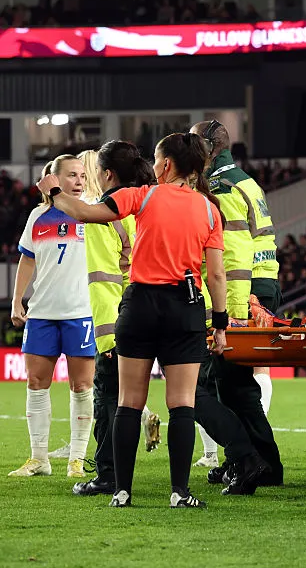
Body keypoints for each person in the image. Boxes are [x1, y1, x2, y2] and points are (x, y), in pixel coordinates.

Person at [39, 132, 229, 508]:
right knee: (181, 404)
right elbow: (217, 275)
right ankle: (180, 492)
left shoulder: (141, 196)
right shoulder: (210, 209)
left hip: (140, 304)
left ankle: (122, 491)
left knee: (127, 401)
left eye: (157, 160)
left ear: (167, 165)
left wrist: (53, 192)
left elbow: (85, 213)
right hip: (183, 307)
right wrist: (219, 324)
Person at [187, 119, 282, 484]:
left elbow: (232, 254)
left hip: (247, 289)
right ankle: (257, 462)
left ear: (209, 146)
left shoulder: (221, 187)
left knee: (226, 383)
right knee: (232, 384)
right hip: (262, 281)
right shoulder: (244, 180)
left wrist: (231, 313)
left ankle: (253, 462)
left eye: (194, 143)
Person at [71, 144, 162, 496]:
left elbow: (103, 278)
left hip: (121, 318)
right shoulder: (147, 204)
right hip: (158, 310)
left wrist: (107, 338)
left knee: (109, 399)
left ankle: (108, 476)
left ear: (107, 174)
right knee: (183, 396)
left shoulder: (101, 215)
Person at [8, 155, 95, 479]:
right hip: (43, 313)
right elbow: (27, 261)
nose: (79, 181)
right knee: (35, 383)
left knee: (82, 386)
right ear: (53, 178)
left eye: (82, 176)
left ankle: (76, 458)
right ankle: (39, 458)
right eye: (72, 175)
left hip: (81, 312)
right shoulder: (38, 216)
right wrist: (18, 300)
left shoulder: (91, 211)